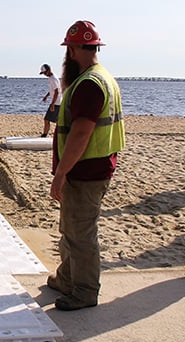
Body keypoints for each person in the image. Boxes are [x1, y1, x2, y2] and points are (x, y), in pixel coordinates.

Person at [47, 20, 126, 311]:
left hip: (85, 171)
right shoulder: (99, 77)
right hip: (94, 167)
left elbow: (81, 133)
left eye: (69, 48)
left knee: (80, 234)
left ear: (77, 49)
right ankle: (66, 279)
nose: (67, 54)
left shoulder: (89, 84)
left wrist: (61, 173)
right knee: (71, 228)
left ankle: (84, 291)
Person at [39, 64, 62, 137]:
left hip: (56, 103)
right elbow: (52, 90)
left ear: (49, 70)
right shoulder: (51, 78)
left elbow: (57, 91)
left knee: (47, 119)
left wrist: (52, 104)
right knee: (56, 120)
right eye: (43, 73)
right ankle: (59, 134)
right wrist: (46, 96)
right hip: (57, 102)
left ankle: (45, 134)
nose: (45, 75)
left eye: (45, 73)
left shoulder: (53, 79)